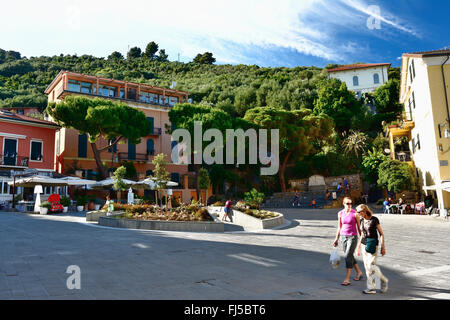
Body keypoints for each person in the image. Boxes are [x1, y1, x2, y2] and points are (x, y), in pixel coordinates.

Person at [355, 204, 388, 294]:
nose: (357, 214)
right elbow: (362, 234)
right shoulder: (361, 220)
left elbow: (381, 234)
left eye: (359, 212)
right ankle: (372, 288)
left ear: (364, 211)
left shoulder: (374, 219)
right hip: (364, 245)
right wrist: (358, 247)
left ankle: (383, 280)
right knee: (367, 268)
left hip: (373, 244)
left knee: (371, 266)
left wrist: (383, 247)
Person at [332, 197, 364, 286]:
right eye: (347, 203)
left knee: (347, 256)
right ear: (343, 203)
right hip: (343, 237)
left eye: (351, 203)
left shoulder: (355, 214)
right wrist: (336, 238)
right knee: (349, 256)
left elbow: (359, 227)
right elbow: (339, 226)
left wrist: (362, 238)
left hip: (352, 237)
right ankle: (359, 272)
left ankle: (347, 278)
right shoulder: (340, 213)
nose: (350, 205)